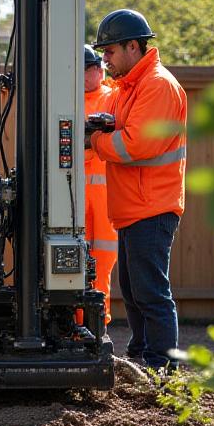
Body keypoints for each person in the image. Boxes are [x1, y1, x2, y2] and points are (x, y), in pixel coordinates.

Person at [88, 9, 187, 372]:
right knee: (133, 292)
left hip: (153, 207)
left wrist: (95, 141)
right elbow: (111, 126)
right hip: (135, 208)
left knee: (151, 293)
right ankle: (143, 356)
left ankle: (163, 368)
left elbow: (135, 145)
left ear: (133, 46)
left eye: (110, 51)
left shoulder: (157, 86)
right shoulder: (128, 88)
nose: (105, 59)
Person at [83, 45, 117, 322]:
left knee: (103, 263)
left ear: (98, 70)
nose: (84, 75)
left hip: (105, 199)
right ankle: (74, 323)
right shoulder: (65, 100)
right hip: (74, 198)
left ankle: (98, 321)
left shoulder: (113, 97)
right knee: (72, 261)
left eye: (89, 69)